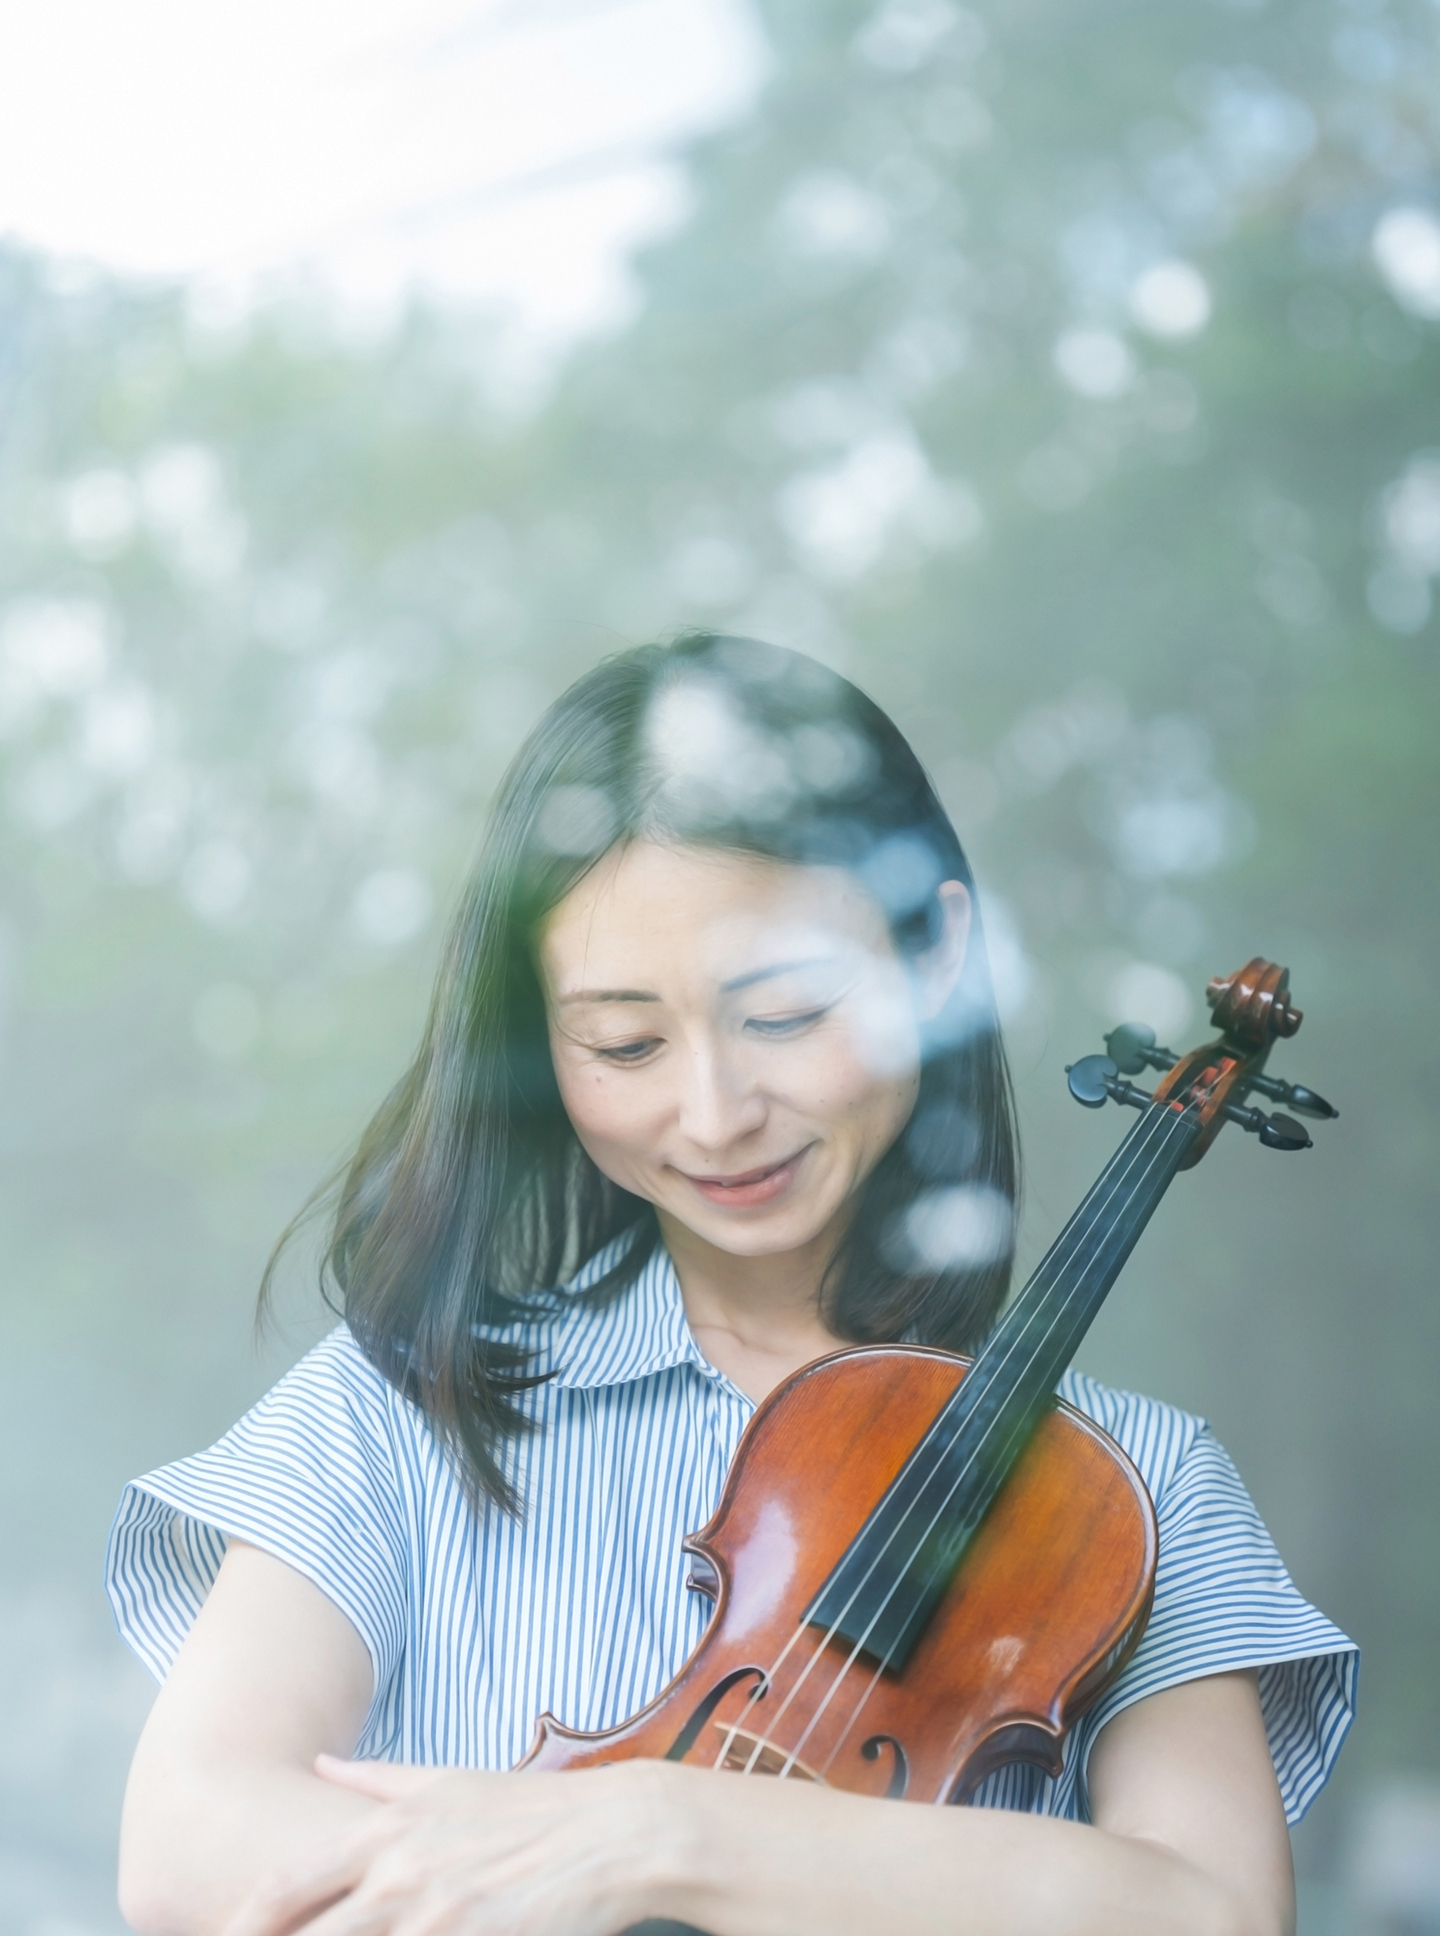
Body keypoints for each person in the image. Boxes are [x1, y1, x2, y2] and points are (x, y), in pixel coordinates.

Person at [108, 633, 1356, 1936]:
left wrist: (679, 1831)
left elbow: (1211, 1913)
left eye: (784, 1016)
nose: (714, 1114)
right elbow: (192, 1842)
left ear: (936, 957)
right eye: (626, 1041)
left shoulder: (1137, 1495)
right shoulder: (400, 1409)